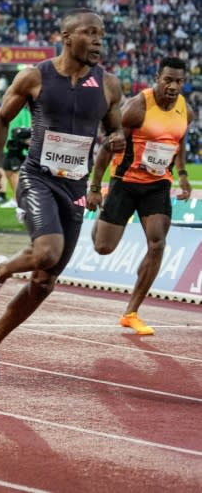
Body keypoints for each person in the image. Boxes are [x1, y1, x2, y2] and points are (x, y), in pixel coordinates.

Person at [0, 9, 124, 386]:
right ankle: (0, 271)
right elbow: (1, 120)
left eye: (102, 35)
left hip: (75, 186)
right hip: (37, 177)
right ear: (67, 37)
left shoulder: (109, 86)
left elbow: (113, 133)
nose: (98, 41)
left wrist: (114, 146)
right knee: (46, 252)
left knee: (43, 281)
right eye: (90, 34)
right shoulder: (35, 77)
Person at [87, 56, 194, 335]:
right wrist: (96, 187)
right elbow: (109, 146)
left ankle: (131, 312)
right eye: (168, 79)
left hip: (157, 184)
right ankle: (103, 216)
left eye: (179, 81)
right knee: (103, 247)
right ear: (157, 78)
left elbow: (179, 141)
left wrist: (182, 176)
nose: (173, 86)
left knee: (157, 244)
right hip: (125, 182)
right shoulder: (137, 107)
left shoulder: (186, 110)